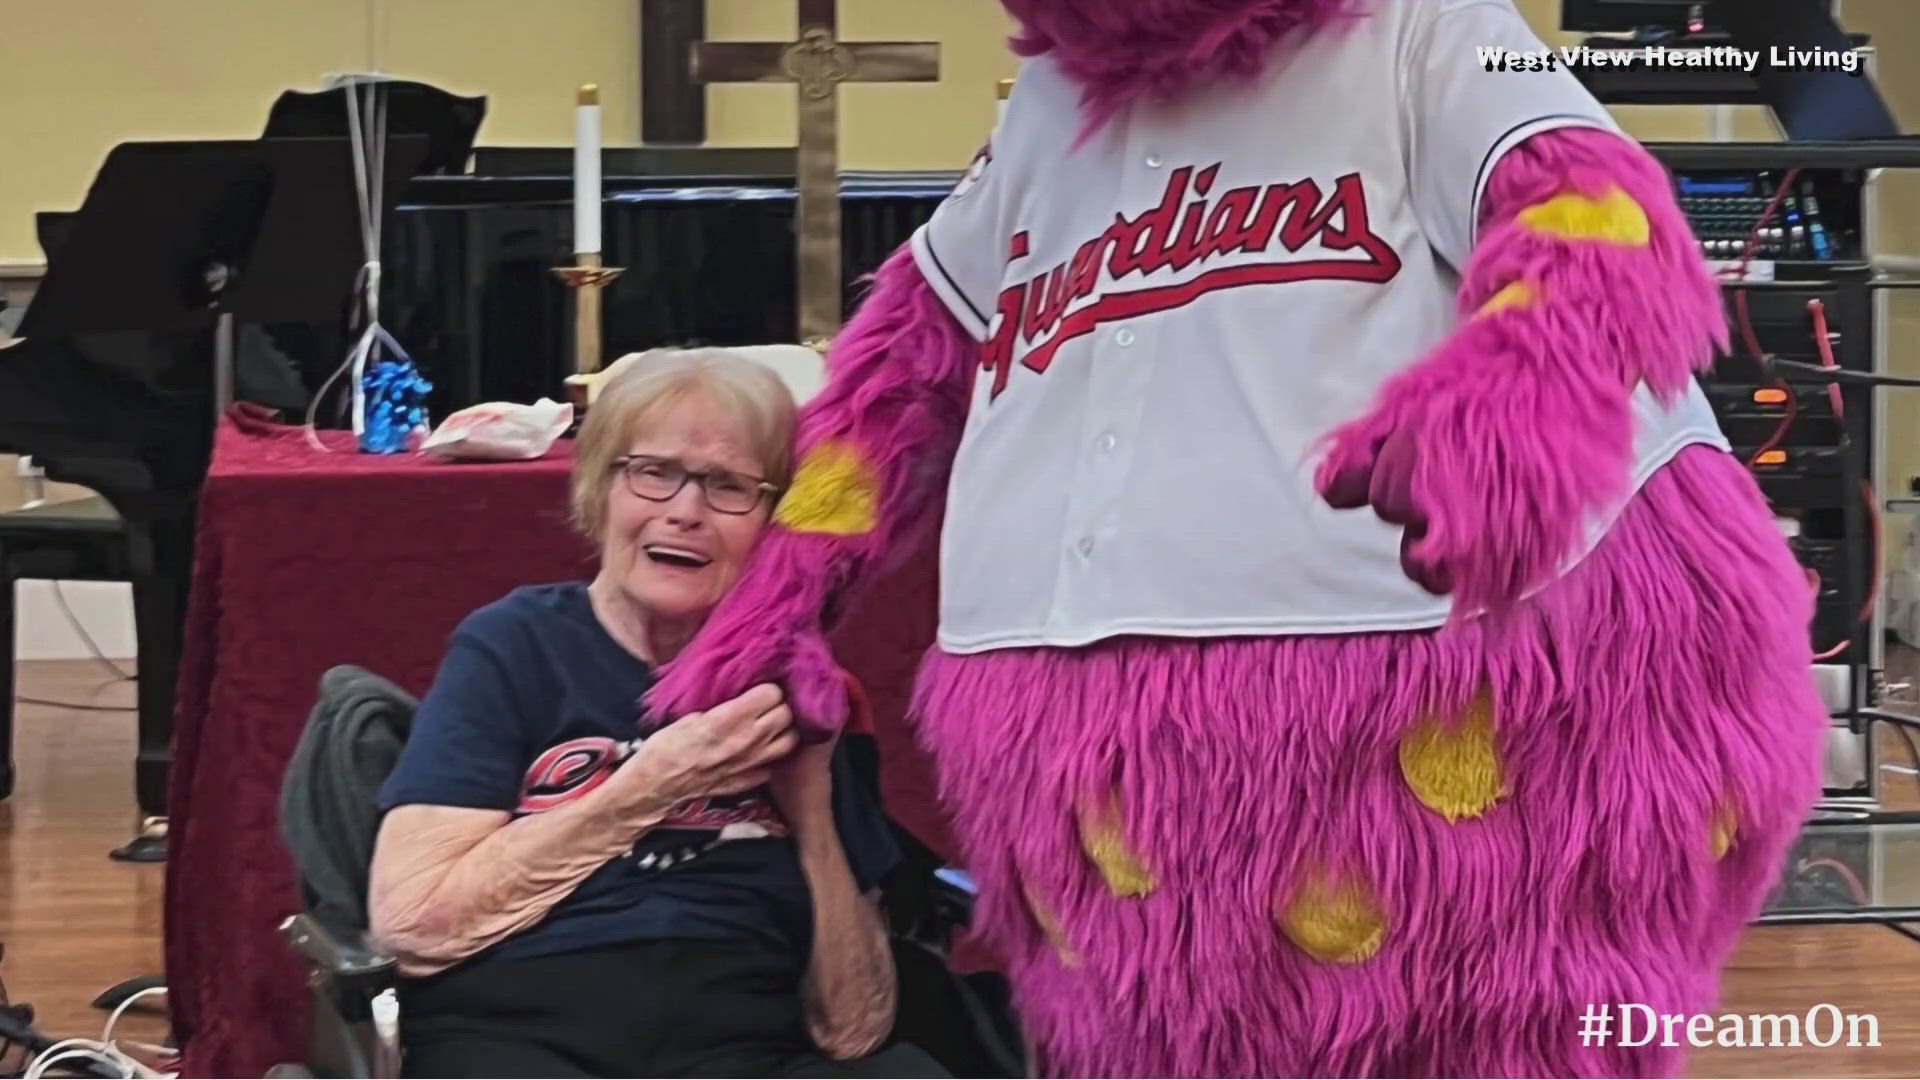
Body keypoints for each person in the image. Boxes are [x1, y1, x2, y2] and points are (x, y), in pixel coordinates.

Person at [640, 0, 1826, 1076]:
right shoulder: (1048, 112)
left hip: (1437, 708)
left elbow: (1595, 208)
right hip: (1102, 784)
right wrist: (782, 591)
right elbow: (908, 358)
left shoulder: (1440, 27)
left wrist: (1514, 398)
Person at [366, 348, 946, 1078]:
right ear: (599, 489)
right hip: (519, 1035)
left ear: (775, 526)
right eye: (654, 471)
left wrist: (814, 812)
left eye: (730, 486)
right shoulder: (515, 647)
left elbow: (854, 1028)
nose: (685, 511)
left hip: (745, 1047)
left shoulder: (794, 687)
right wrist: (656, 782)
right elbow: (414, 926)